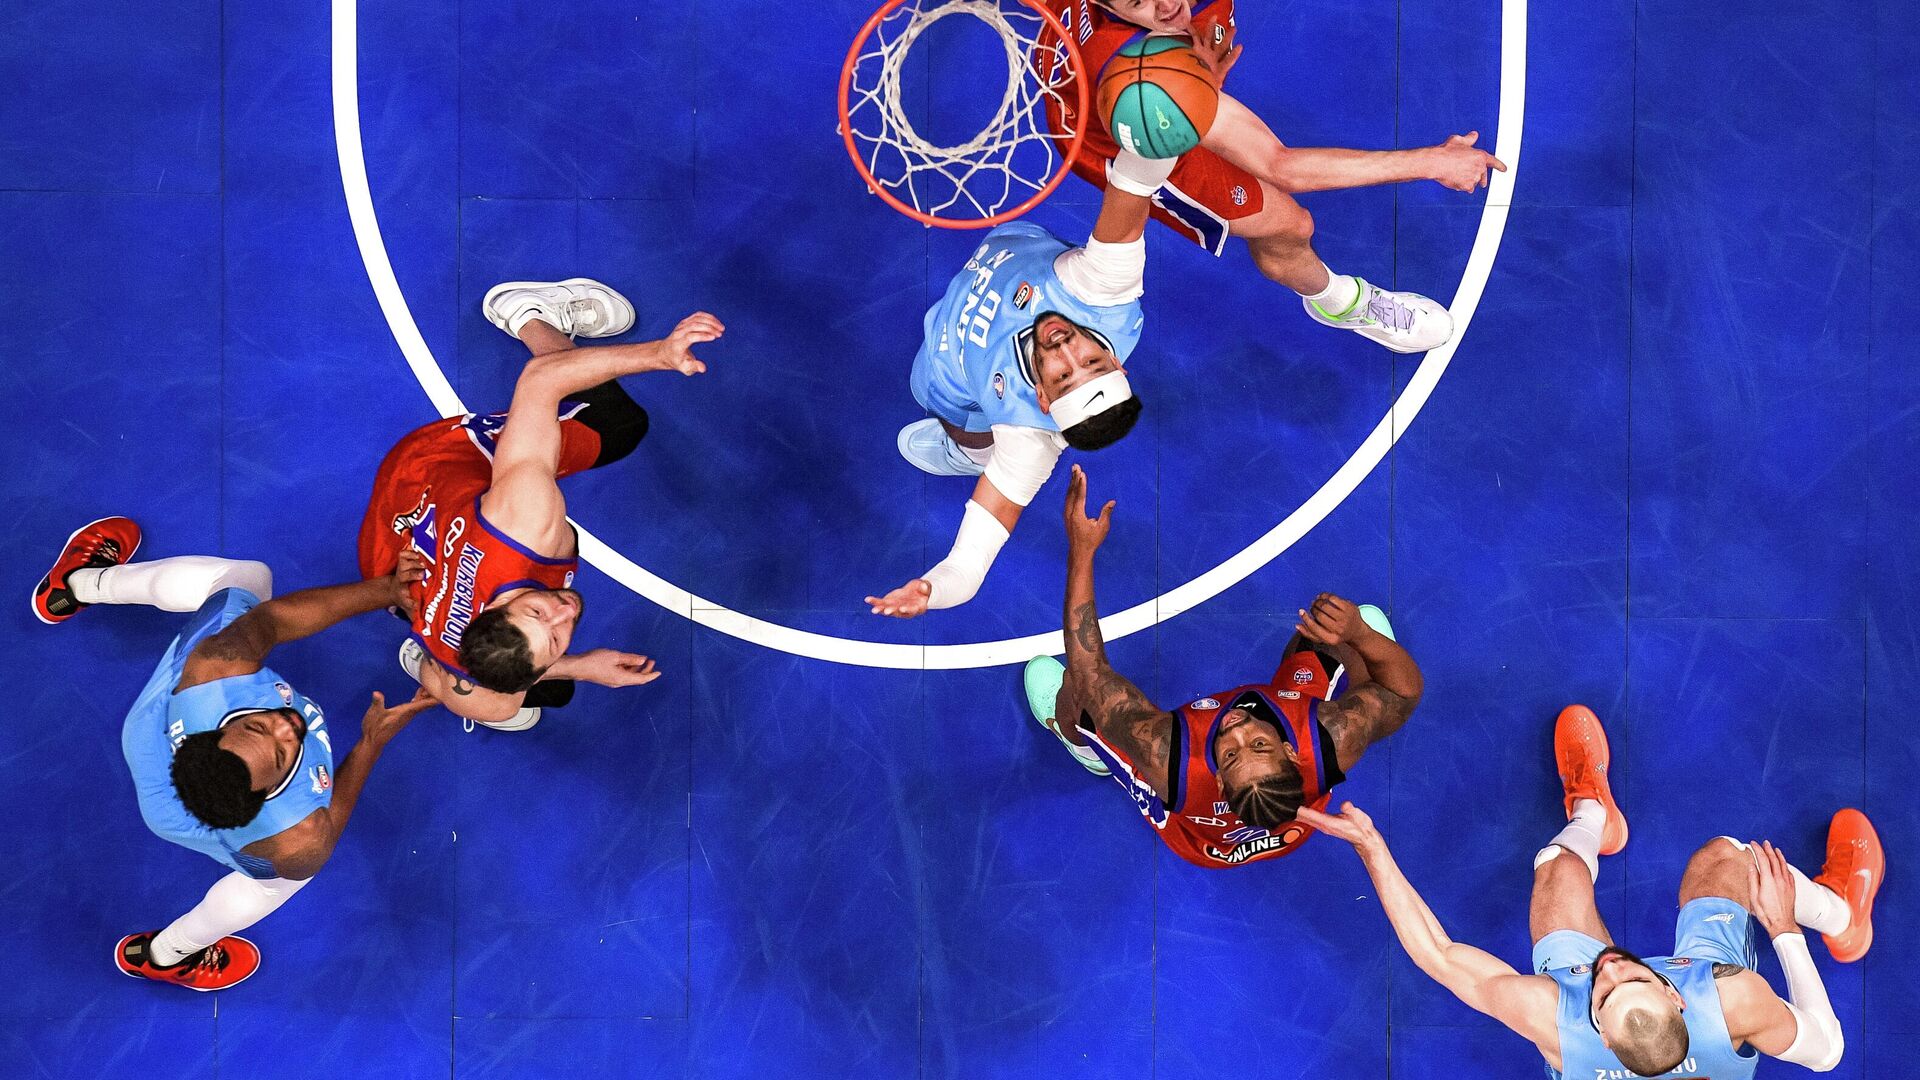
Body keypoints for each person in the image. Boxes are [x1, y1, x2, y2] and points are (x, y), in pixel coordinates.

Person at [1302, 704, 1884, 1076]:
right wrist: (1784, 930)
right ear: (1677, 996)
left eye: (1603, 994)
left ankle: (1593, 815)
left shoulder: (1557, 1023)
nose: (1610, 968)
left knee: (1557, 868)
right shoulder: (1734, 1003)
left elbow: (1439, 954)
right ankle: (1844, 917)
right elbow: (1827, 1051)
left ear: (1600, 1035)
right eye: (1635, 978)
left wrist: (1372, 849)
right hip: (1714, 1013)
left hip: (1612, 1016)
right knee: (1725, 859)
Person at [31, 516, 435, 990]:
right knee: (280, 880)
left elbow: (274, 620)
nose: (288, 725)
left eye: (257, 724)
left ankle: (81, 583)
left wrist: (386, 591)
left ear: (216, 732)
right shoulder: (296, 835)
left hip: (149, 734)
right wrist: (369, 744)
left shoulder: (216, 670)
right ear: (263, 799)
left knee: (247, 581)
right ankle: (168, 954)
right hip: (171, 807)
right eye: (283, 754)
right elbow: (325, 827)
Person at [1036, 0, 1506, 353]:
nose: (1163, 5)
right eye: (1138, 2)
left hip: (1170, 81)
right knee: (1289, 225)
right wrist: (1432, 161)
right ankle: (1341, 302)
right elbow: (1279, 164)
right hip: (1140, 131)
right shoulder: (1143, 72)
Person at [358, 279, 722, 729]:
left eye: (537, 612)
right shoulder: (471, 678)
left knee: (618, 427)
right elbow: (456, 682)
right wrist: (581, 666)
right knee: (553, 690)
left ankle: (526, 313)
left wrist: (659, 355)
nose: (564, 612)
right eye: (555, 640)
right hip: (397, 556)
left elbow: (542, 380)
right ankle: (424, 651)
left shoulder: (524, 522)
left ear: (491, 611)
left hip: (432, 469)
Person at [1018, 466, 1423, 866]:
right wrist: (1360, 636)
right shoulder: (1333, 738)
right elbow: (1402, 693)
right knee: (1342, 643)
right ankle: (1356, 654)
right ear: (1290, 752)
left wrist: (1082, 551)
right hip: (1291, 828)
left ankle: (1084, 746)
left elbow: (1090, 674)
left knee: (1080, 696)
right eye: (1259, 745)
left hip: (1195, 840)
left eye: (1229, 756)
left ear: (1217, 782)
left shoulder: (1165, 754)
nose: (1237, 729)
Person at [864, 146, 1178, 618]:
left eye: (1063, 377)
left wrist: (931, 590)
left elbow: (967, 567)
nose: (1066, 348)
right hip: (1011, 246)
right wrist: (1159, 135)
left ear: (1043, 399)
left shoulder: (1027, 439)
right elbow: (1134, 181)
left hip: (950, 372)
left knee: (956, 417)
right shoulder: (1104, 290)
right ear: (1117, 362)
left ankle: (970, 456)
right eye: (1092, 361)